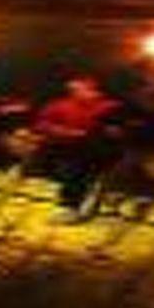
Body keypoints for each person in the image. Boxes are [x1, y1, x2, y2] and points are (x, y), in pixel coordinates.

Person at [28, 74, 126, 220]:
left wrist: (98, 133)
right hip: (63, 147)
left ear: (91, 87)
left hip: (96, 149)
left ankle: (72, 204)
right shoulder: (60, 105)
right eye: (72, 88)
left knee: (78, 161)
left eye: (79, 87)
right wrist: (63, 132)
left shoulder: (109, 106)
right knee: (59, 156)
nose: (75, 91)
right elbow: (41, 124)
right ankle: (71, 200)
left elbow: (116, 129)